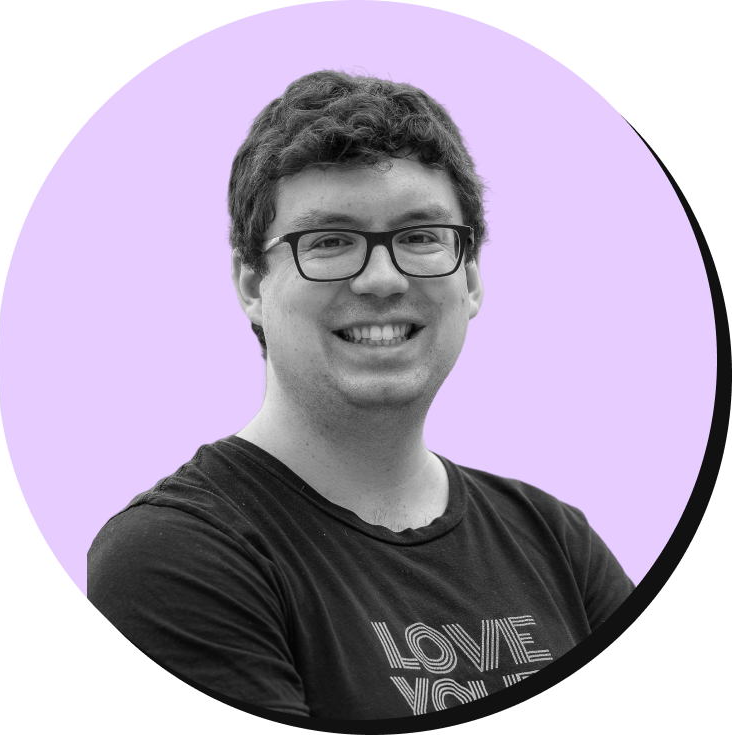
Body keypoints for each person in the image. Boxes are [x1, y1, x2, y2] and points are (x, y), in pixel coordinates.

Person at [88, 70, 635, 719]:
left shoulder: (556, 541)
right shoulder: (175, 555)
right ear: (251, 285)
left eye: (420, 236)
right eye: (329, 241)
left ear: (471, 277)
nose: (382, 278)